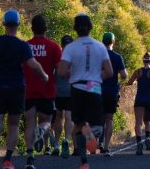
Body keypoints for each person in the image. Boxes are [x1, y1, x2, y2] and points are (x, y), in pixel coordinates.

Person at [0, 10, 49, 169]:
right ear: (18, 25)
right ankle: (7, 159)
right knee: (13, 125)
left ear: (3, 24)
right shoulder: (23, 45)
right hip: (16, 87)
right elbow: (32, 64)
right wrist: (44, 76)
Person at [57, 14, 113, 169]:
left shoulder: (70, 47)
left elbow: (61, 71)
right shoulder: (100, 46)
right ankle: (90, 137)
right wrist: (95, 78)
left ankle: (84, 162)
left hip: (76, 88)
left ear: (75, 28)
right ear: (91, 27)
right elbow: (109, 71)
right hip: (93, 87)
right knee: (98, 126)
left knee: (79, 123)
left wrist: (72, 75)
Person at [24, 15, 62, 168]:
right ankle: (42, 130)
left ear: (32, 29)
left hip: (28, 91)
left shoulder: (25, 46)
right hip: (47, 91)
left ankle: (30, 155)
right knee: (46, 122)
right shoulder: (54, 47)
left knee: (29, 124)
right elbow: (60, 70)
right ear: (46, 29)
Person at [100, 32, 127, 155]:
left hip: (97, 90)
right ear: (113, 42)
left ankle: (94, 143)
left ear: (102, 41)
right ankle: (106, 146)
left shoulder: (97, 56)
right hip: (111, 91)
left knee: (96, 118)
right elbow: (123, 75)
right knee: (109, 119)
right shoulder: (117, 57)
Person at [126, 53, 150, 155]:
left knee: (138, 122)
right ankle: (148, 138)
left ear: (143, 61)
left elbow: (130, 82)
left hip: (140, 99)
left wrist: (135, 82)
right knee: (147, 121)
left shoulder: (138, 71)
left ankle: (139, 143)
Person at [52, 35, 74, 158]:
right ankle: (66, 140)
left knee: (58, 117)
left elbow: (52, 73)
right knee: (69, 117)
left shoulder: (57, 57)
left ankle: (56, 144)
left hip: (58, 92)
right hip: (71, 92)